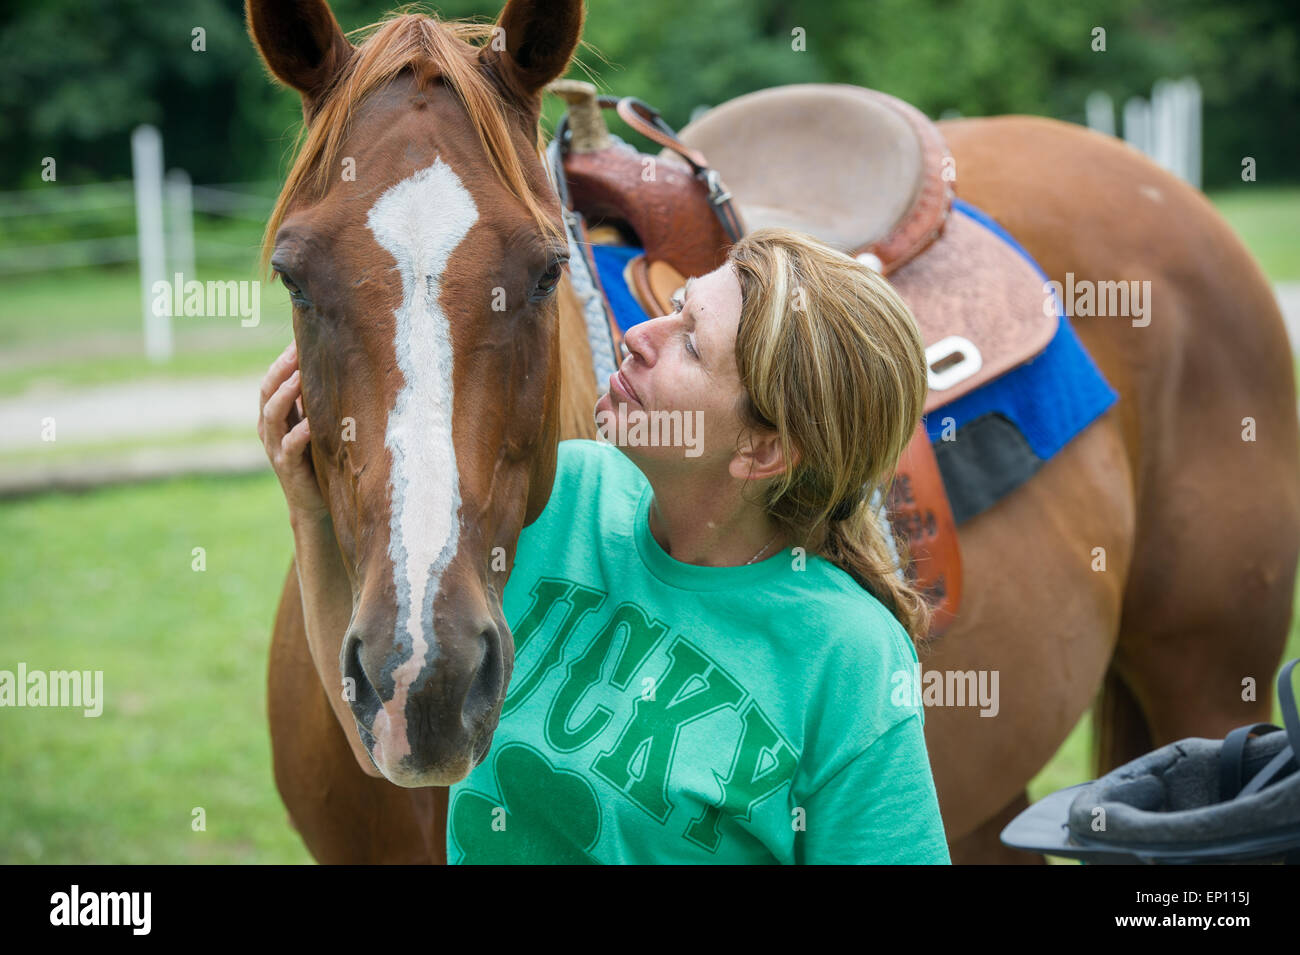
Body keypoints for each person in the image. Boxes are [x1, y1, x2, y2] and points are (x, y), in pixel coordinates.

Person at [260, 226, 951, 864]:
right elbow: (385, 737)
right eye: (675, 307)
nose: (639, 335)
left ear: (763, 449)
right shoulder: (567, 497)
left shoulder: (850, 656)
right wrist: (308, 513)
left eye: (690, 343)